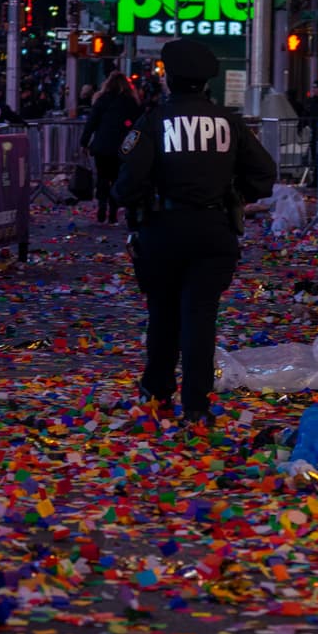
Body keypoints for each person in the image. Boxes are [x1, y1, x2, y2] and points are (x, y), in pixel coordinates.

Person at [112, 39, 276, 426]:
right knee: (200, 319)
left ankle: (157, 390)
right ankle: (197, 405)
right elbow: (264, 175)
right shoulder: (229, 123)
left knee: (163, 315)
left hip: (163, 231)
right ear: (206, 82)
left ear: (169, 78)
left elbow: (127, 184)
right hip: (214, 231)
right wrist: (234, 195)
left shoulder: (153, 122)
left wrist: (139, 202)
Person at [80, 71, 141, 224]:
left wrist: (84, 142)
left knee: (102, 176)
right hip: (122, 147)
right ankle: (113, 211)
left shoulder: (101, 100)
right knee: (117, 178)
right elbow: (137, 125)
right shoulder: (131, 102)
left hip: (102, 146)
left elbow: (91, 123)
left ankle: (102, 205)